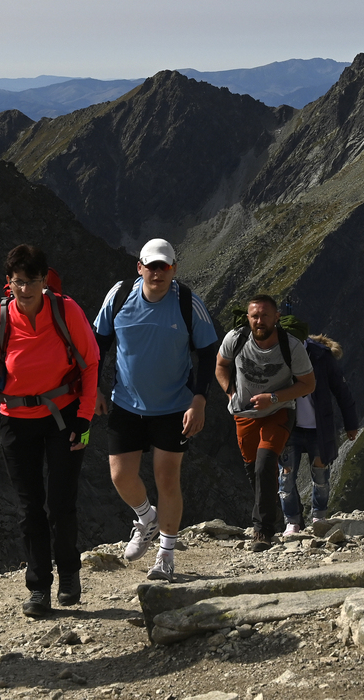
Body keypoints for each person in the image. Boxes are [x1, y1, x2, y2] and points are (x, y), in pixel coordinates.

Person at [0, 245, 98, 617]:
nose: (25, 290)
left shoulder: (65, 310)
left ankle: (70, 572)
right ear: (8, 283)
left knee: (60, 503)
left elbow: (90, 363)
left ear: (45, 281)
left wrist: (84, 418)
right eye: (18, 282)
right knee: (30, 510)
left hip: (64, 417)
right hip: (15, 420)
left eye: (32, 282)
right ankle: (39, 588)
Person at [93, 238, 219, 583]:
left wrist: (199, 399)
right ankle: (145, 518)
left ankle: (166, 553)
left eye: (164, 266)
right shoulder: (119, 297)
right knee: (120, 475)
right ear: (140, 268)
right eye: (151, 266)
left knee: (166, 476)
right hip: (125, 403)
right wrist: (93, 389)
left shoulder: (186, 302)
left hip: (173, 407)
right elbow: (96, 344)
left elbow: (208, 352)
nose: (158, 272)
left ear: (174, 269)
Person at [216, 295, 316, 552]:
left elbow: (308, 384)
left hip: (279, 411)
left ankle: (262, 531)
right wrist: (230, 393)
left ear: (276, 318)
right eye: (255, 316)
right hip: (245, 414)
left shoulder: (291, 347)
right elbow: (221, 365)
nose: (259, 321)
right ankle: (285, 517)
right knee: (254, 471)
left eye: (265, 316)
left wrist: (273, 398)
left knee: (265, 464)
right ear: (248, 318)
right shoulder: (235, 339)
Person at [278, 333, 359, 535]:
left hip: (318, 428)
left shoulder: (321, 356)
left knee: (320, 478)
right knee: (286, 478)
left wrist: (351, 424)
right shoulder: (278, 353)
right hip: (290, 428)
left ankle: (318, 519)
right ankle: (292, 522)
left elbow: (341, 389)